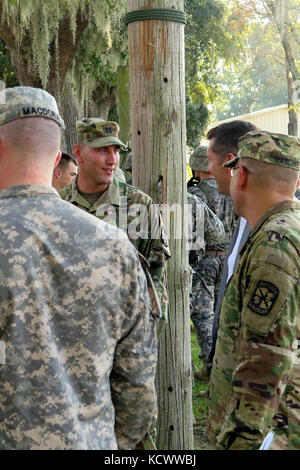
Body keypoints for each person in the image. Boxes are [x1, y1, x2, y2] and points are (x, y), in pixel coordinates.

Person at [0, 86, 158, 450]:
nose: (112, 157)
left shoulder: (132, 217)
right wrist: (108, 441)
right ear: (59, 157)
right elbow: (136, 380)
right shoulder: (114, 244)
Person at [207, 130, 300, 450]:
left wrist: (241, 441)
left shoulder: (275, 247)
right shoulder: (287, 229)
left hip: (272, 432)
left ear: (241, 175)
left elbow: (266, 363)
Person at [60, 118, 170, 334]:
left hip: (123, 340)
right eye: (102, 150)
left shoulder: (139, 205)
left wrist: (143, 340)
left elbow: (156, 279)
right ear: (79, 153)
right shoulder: (58, 205)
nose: (112, 160)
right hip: (69, 340)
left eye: (116, 151)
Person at [206, 120, 257, 363]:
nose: (208, 169)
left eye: (209, 160)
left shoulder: (274, 232)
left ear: (229, 162)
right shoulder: (244, 219)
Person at [188, 144, 236, 379]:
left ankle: (210, 367)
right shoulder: (230, 190)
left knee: (203, 314)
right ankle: (225, 365)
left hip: (204, 258)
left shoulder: (195, 194)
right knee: (222, 313)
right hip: (227, 258)